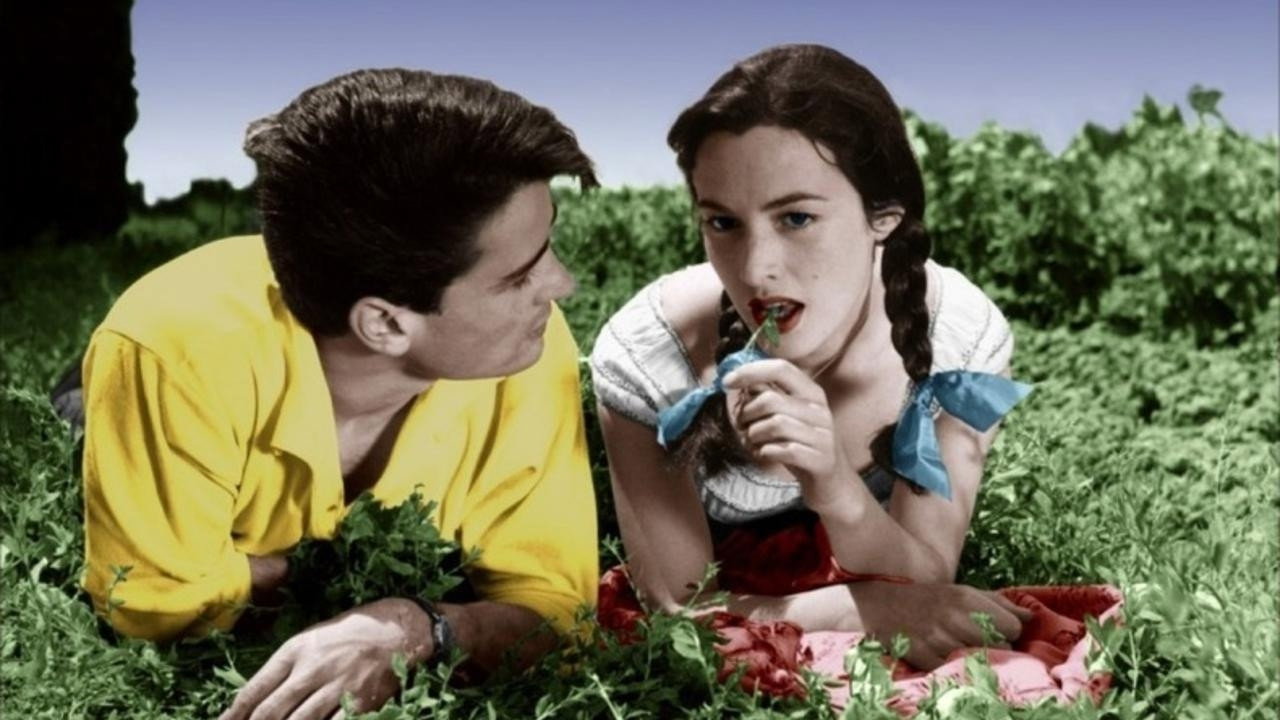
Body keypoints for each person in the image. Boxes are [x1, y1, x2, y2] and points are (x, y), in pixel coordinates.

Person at [589, 45, 1118, 708]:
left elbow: (926, 572)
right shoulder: (649, 354)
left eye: (797, 218)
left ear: (883, 218)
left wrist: (833, 481)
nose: (756, 268)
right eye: (722, 223)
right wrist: (863, 610)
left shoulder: (955, 337)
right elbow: (678, 608)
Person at [75, 68, 600, 719]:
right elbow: (148, 602)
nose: (561, 286)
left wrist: (415, 626)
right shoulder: (173, 350)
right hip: (147, 385)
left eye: (545, 247)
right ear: (384, 323)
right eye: (519, 275)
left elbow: (560, 620)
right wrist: (328, 579)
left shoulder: (532, 345)